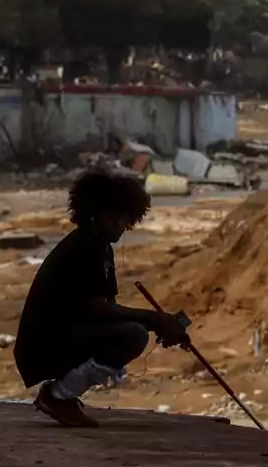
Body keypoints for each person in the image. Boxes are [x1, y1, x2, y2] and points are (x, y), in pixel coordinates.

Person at [14, 170, 190, 427]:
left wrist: (159, 322)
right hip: (43, 345)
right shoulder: (83, 247)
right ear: (95, 213)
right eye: (114, 217)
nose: (121, 225)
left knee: (133, 331)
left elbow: (107, 307)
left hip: (63, 333)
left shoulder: (100, 246)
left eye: (125, 219)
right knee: (133, 335)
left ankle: (61, 396)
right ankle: (58, 397)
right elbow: (98, 310)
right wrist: (155, 320)